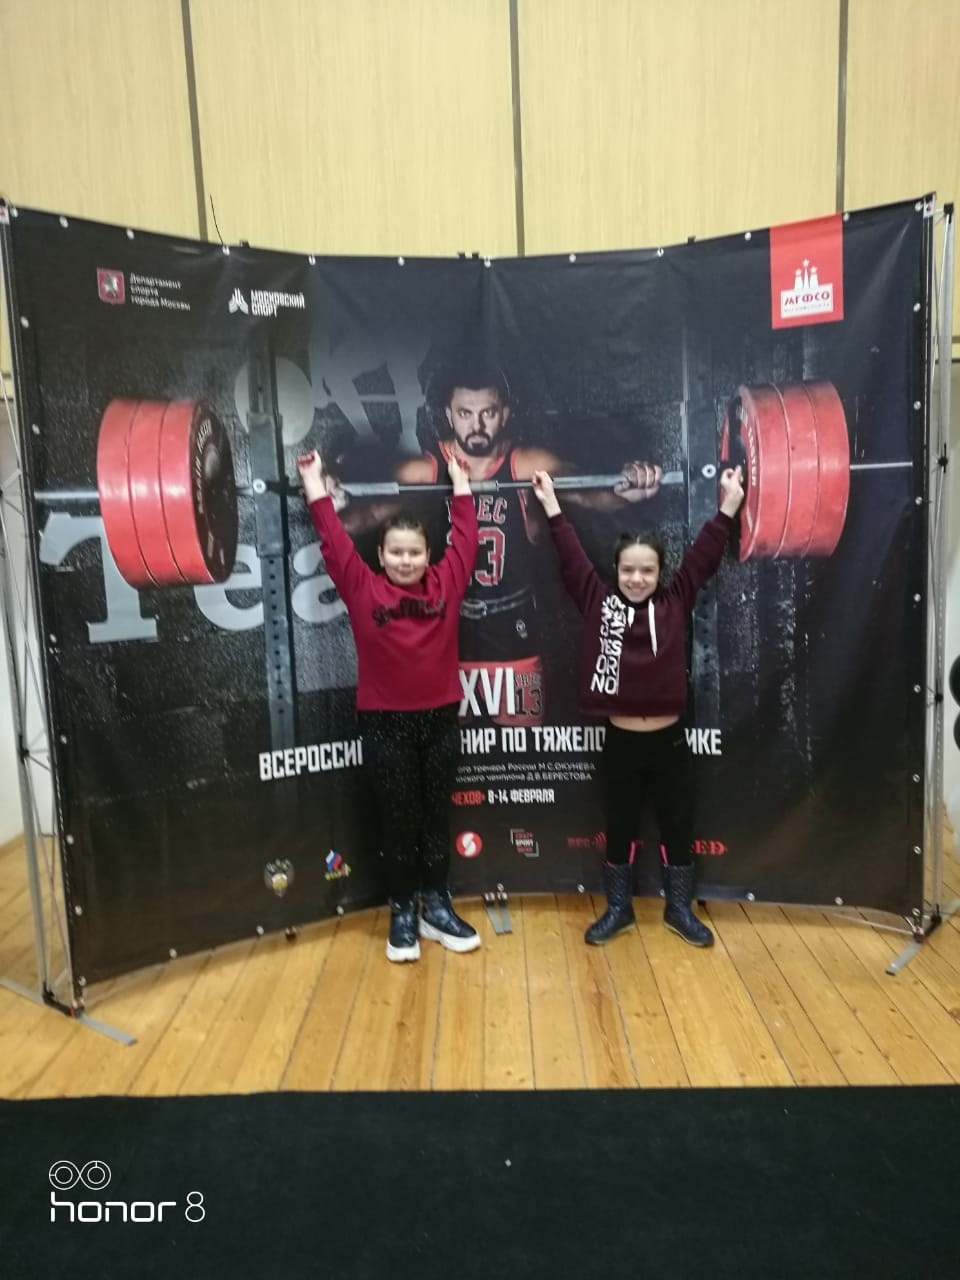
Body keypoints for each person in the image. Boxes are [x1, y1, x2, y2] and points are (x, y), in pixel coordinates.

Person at [338, 358, 662, 726]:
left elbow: (589, 493)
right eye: (465, 413)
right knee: (455, 748)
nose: (476, 425)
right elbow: (366, 514)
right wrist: (329, 498)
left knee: (519, 746)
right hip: (445, 637)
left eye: (487, 413)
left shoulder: (525, 465)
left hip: (514, 635)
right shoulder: (427, 469)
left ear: (504, 414)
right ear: (449, 415)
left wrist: (628, 490)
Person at [530, 464, 745, 947]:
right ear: (616, 570)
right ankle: (618, 910)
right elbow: (571, 555)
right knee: (620, 827)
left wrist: (730, 503)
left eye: (647, 570)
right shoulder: (597, 600)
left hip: (670, 743)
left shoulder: (675, 600)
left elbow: (705, 555)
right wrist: (550, 505)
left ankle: (679, 910)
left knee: (677, 826)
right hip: (621, 744)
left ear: (660, 573)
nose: (637, 578)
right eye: (628, 569)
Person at [297, 447, 481, 963]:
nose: (405, 561)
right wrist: (313, 483)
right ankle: (403, 911)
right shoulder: (362, 590)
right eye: (396, 553)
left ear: (428, 555)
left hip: (440, 724)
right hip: (385, 728)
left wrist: (460, 482)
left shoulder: (447, 583)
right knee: (399, 824)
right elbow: (334, 542)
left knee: (434, 820)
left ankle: (436, 907)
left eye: (414, 553)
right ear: (380, 556)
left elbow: (466, 538)